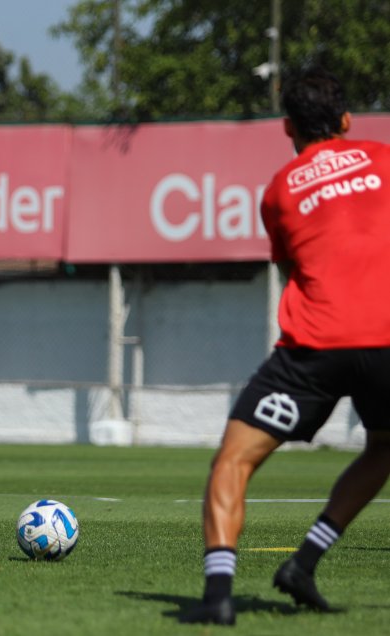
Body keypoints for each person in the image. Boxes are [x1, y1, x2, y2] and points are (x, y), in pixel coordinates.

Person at [184, 67, 390, 625]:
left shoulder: (279, 190)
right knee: (383, 448)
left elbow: (292, 264)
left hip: (316, 345)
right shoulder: (384, 158)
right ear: (347, 120)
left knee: (233, 461)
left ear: (287, 127)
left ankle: (218, 597)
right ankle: (305, 559)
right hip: (388, 339)